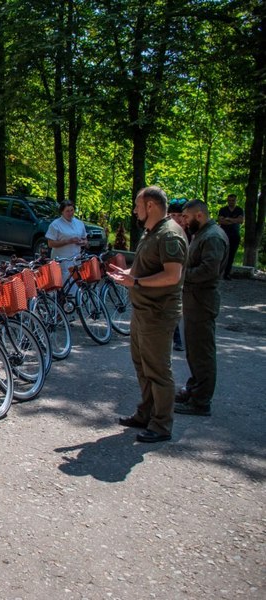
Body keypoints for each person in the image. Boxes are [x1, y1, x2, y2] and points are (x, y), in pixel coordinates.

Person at [108, 186, 187, 443]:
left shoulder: (170, 235)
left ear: (150, 206)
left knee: (158, 369)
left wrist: (137, 283)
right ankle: (146, 412)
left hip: (158, 313)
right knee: (142, 365)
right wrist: (129, 274)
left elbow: (172, 275)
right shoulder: (151, 232)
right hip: (143, 310)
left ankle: (162, 424)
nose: (134, 210)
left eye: (137, 205)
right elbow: (145, 267)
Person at [175, 199, 228, 416]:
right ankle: (195, 388)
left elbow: (208, 270)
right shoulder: (204, 233)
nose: (184, 222)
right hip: (195, 300)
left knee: (202, 353)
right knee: (194, 351)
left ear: (199, 215)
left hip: (202, 300)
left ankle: (201, 401)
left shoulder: (213, 236)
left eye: (186, 217)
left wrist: (179, 276)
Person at [45, 200, 88, 280]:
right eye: (67, 211)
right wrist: (68, 241)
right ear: (62, 212)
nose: (70, 213)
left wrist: (82, 242)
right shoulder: (55, 224)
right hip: (61, 259)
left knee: (75, 284)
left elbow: (85, 240)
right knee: (61, 283)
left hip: (76, 259)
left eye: (72, 210)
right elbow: (50, 243)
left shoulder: (79, 223)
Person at [167, 201, 187, 351]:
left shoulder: (192, 233)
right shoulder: (168, 233)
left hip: (188, 278)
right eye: (173, 215)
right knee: (172, 307)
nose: (176, 218)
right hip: (173, 280)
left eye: (180, 215)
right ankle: (177, 338)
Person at [217, 193, 243, 280]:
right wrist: (234, 221)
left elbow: (241, 220)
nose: (231, 202)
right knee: (221, 254)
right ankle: (218, 272)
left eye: (233, 200)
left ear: (236, 201)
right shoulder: (223, 210)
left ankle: (226, 274)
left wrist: (228, 219)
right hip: (223, 235)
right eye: (230, 200)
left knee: (231, 255)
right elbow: (220, 221)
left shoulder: (239, 210)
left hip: (235, 235)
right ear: (227, 200)